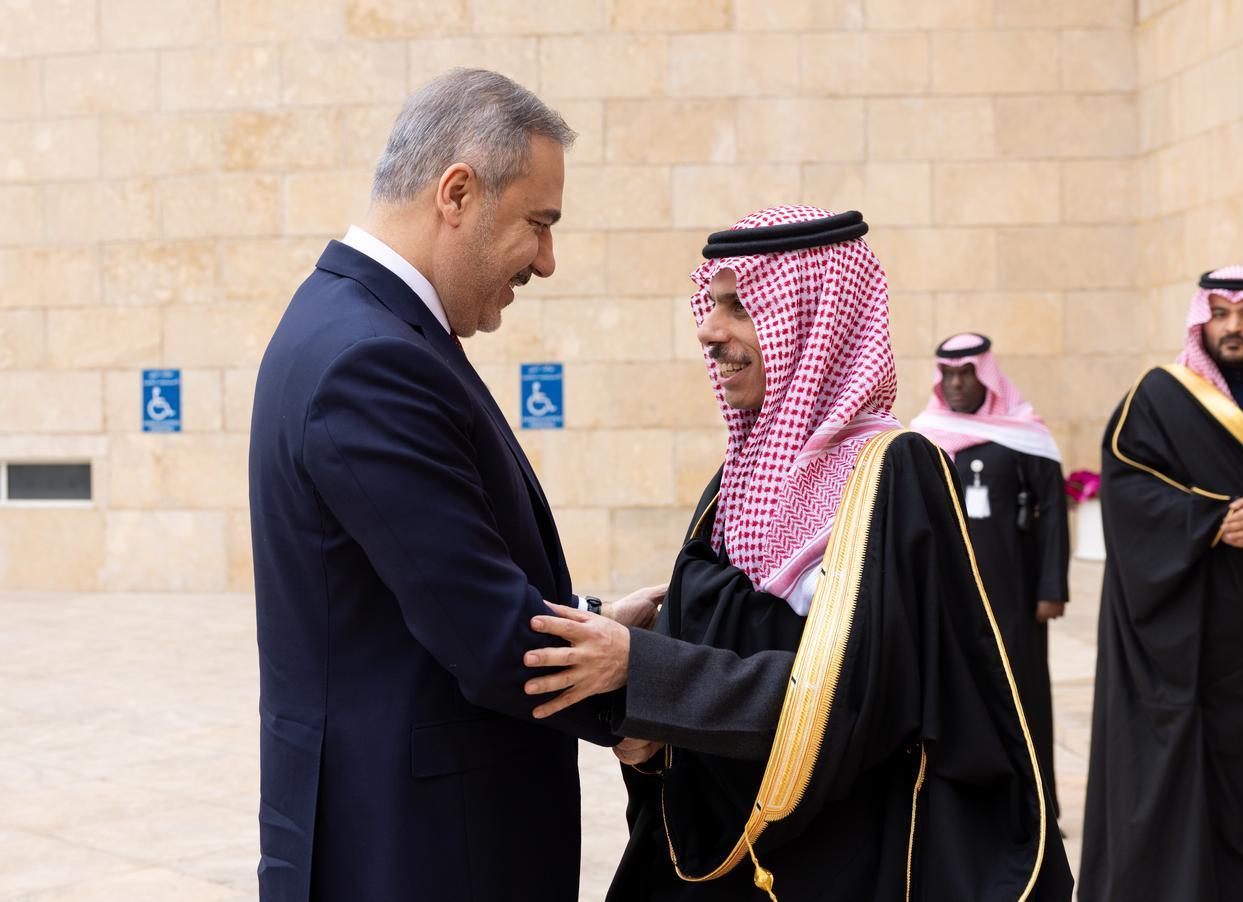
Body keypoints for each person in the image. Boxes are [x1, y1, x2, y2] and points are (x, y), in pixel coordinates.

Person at [524, 206, 1073, 900]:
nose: (708, 331)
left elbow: (864, 699)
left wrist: (649, 672)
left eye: (739, 307)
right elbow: (731, 638)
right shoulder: (737, 478)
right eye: (711, 305)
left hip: (843, 859)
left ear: (819, 324)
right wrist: (657, 736)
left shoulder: (896, 474)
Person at [248, 69, 660, 902]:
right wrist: (648, 697)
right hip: (420, 853)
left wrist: (587, 625)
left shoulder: (353, 324)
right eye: (538, 223)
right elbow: (482, 631)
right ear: (458, 193)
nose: (548, 260)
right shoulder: (373, 359)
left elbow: (432, 583)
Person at [1079, 266, 1243, 901]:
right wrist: (1209, 520)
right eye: (1220, 313)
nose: (1234, 326)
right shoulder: (1161, 397)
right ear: (1202, 321)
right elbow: (1128, 489)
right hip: (1193, 630)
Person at [910, 333, 1069, 815]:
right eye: (949, 375)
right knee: (958, 693)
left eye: (968, 374)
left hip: (1014, 595)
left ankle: (1036, 804)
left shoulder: (1024, 435)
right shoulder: (926, 435)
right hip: (948, 594)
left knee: (1023, 694)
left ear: (987, 376)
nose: (958, 384)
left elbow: (1054, 515)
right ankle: (972, 806)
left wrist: (1051, 589)